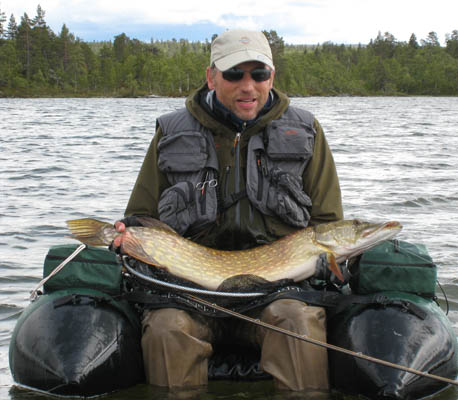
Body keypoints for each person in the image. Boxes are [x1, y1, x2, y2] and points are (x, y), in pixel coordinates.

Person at [113, 29, 343, 392]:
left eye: (259, 74)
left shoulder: (306, 130)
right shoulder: (172, 131)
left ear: (273, 75)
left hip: (278, 292)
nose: (248, 86)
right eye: (235, 74)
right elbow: (141, 216)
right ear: (211, 76)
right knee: (166, 327)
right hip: (187, 291)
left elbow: (328, 223)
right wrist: (128, 238)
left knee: (299, 321)